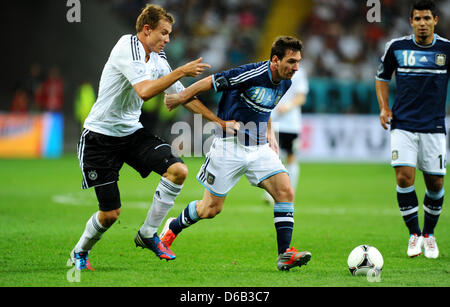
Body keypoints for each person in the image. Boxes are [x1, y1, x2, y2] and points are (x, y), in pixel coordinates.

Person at [68, 4, 236, 271]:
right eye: (164, 33)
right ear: (147, 30)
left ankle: (148, 233)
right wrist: (180, 71)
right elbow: (145, 92)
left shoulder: (158, 60)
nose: (168, 39)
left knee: (178, 170)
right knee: (110, 214)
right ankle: (80, 251)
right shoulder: (127, 46)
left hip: (131, 133)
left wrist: (218, 122)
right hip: (99, 138)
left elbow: (182, 96)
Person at [161, 36, 312, 271]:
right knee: (209, 209)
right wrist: (180, 98)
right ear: (275, 59)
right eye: (292, 61)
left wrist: (270, 133)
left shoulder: (286, 82)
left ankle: (284, 254)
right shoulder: (250, 73)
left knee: (285, 190)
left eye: (298, 62)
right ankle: (172, 228)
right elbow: (210, 82)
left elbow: (266, 107)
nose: (296, 67)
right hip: (229, 146)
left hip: (259, 147)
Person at [375, 0, 449, 259]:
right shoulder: (396, 47)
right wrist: (384, 108)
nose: (422, 23)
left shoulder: (446, 50)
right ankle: (414, 234)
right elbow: (382, 77)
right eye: (417, 19)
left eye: (427, 18)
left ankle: (429, 234)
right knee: (404, 177)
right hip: (403, 124)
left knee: (436, 182)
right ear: (411, 21)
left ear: (435, 21)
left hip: (434, 126)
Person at [263, 66, 309, 204]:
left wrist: (288, 106)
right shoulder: (271, 70)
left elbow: (301, 97)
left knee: (291, 157)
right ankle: (270, 194)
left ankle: (290, 192)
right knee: (271, 157)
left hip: (291, 124)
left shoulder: (299, 73)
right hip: (273, 121)